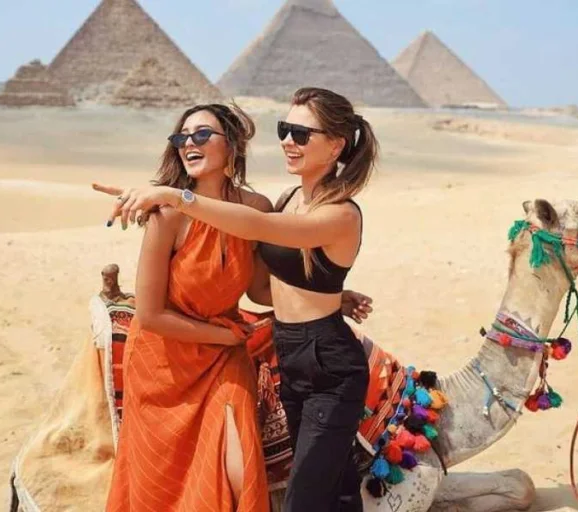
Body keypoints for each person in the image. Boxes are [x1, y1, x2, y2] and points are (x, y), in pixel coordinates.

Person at [97, 87, 378, 512]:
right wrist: (332, 295)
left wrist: (175, 196)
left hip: (310, 357)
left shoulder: (315, 211)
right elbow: (263, 288)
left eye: (300, 134)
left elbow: (255, 229)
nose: (287, 141)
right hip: (209, 353)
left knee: (285, 484)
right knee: (335, 487)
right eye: (285, 130)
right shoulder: (287, 201)